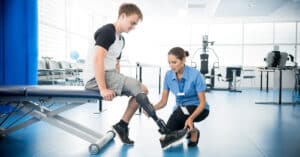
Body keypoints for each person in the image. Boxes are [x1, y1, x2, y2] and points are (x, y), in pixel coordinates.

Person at [84, 3, 187, 148]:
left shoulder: (121, 40)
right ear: (122, 16)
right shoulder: (107, 31)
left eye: (135, 25)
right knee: (137, 87)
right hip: (95, 78)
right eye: (132, 23)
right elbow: (97, 59)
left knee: (142, 90)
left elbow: (116, 63)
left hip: (109, 75)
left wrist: (119, 83)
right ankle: (165, 131)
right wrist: (103, 89)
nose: (133, 27)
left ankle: (122, 125)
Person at [154, 47, 210, 148]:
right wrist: (152, 108)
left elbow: (202, 103)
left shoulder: (196, 75)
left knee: (179, 114)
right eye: (169, 62)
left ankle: (193, 131)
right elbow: (163, 101)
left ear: (183, 60)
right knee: (169, 134)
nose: (171, 66)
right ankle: (191, 129)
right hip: (180, 110)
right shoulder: (168, 75)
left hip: (199, 108)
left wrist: (191, 118)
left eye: (174, 62)